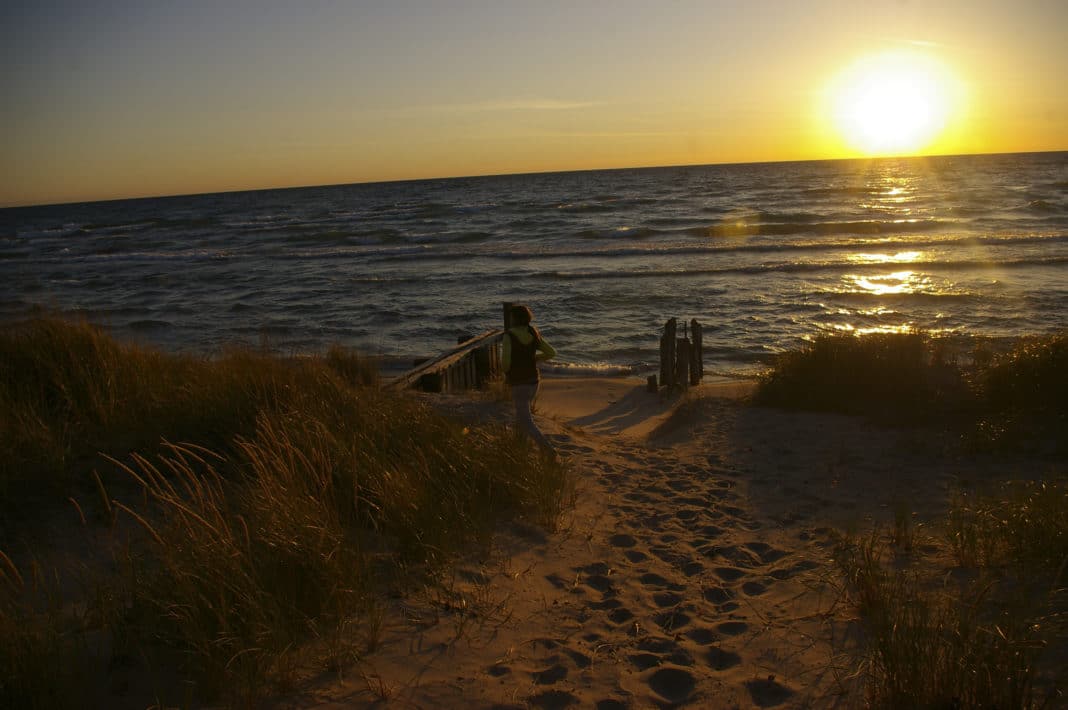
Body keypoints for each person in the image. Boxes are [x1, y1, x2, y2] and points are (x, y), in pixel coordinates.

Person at [502, 304, 557, 455]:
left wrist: (506, 373)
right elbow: (551, 353)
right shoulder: (533, 332)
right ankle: (520, 448)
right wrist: (533, 358)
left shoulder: (509, 336)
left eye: (511, 316)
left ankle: (548, 451)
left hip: (519, 383)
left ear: (514, 318)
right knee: (522, 417)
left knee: (525, 420)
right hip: (534, 381)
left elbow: (505, 364)